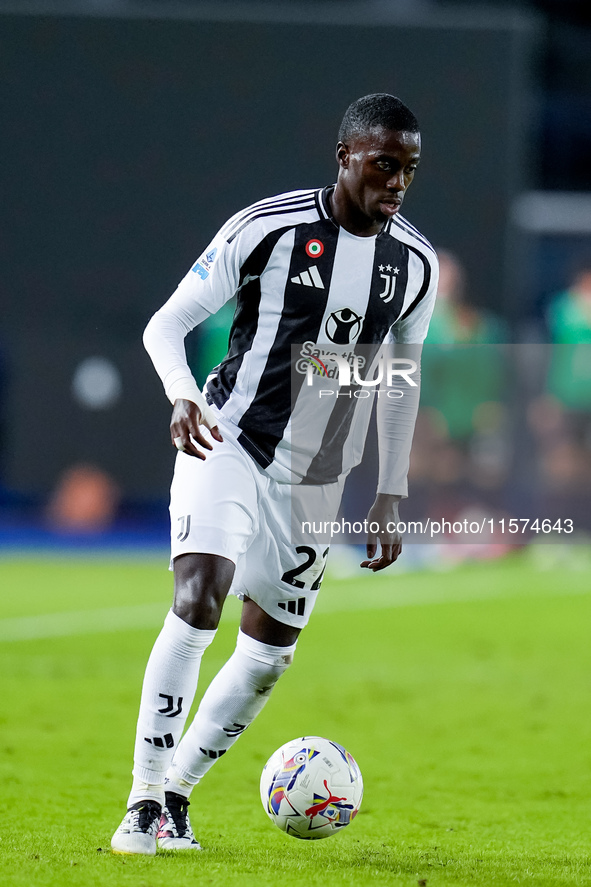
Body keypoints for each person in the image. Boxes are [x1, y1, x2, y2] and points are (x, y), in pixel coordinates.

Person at [111, 93, 438, 855]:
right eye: (383, 164)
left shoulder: (414, 264)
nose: (395, 182)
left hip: (319, 469)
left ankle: (180, 797)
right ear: (345, 157)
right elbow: (168, 322)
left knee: (266, 655)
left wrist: (390, 488)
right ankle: (143, 802)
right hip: (228, 437)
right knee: (198, 598)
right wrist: (182, 394)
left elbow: (402, 377)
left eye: (409, 170)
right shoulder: (268, 227)